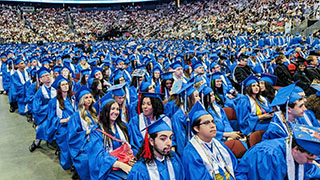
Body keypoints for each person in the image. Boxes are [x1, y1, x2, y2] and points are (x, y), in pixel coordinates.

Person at [235, 124, 320, 179]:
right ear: (296, 149)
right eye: (309, 158)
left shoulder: (296, 151)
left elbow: (310, 170)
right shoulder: (268, 155)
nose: (311, 162)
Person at [182, 101, 238, 180]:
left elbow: (235, 167)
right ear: (196, 128)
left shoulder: (218, 144)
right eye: (207, 123)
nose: (213, 126)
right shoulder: (191, 153)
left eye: (213, 121)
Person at [87, 98, 134, 180]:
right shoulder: (96, 132)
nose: (116, 112)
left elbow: (132, 145)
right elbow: (98, 157)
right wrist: (120, 165)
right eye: (112, 109)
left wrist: (132, 158)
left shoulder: (124, 127)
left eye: (117, 109)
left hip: (126, 163)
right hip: (107, 169)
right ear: (105, 111)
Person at [68, 86, 98, 180]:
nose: (89, 100)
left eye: (90, 97)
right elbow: (73, 136)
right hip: (84, 142)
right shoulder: (76, 116)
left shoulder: (94, 111)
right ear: (81, 100)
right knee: (88, 158)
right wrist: (86, 132)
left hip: (96, 138)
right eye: (86, 98)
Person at [46, 75, 75, 170]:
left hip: (74, 125)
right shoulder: (53, 102)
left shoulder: (73, 99)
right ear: (59, 88)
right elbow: (51, 119)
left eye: (66, 84)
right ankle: (68, 162)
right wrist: (64, 120)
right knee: (67, 137)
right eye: (63, 85)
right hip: (62, 127)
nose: (66, 86)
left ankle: (76, 163)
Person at [29, 67, 56, 152]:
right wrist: (50, 106)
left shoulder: (55, 89)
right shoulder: (39, 93)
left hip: (57, 113)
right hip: (45, 116)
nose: (47, 77)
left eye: (48, 75)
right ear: (40, 79)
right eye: (44, 76)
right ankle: (36, 142)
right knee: (42, 127)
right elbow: (37, 109)